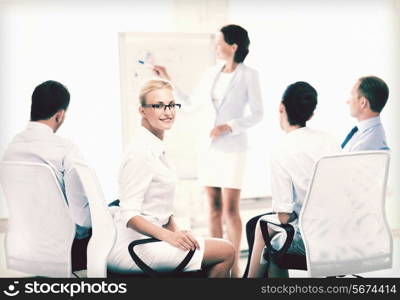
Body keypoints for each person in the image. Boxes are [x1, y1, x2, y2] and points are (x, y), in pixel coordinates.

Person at [153, 24, 263, 277]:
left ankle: (235, 269)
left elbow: (257, 114)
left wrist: (229, 126)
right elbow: (190, 104)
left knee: (230, 208)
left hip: (233, 148)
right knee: (212, 206)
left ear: (233, 46)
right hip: (209, 148)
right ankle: (219, 262)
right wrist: (167, 78)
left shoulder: (249, 75)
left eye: (219, 42)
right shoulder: (210, 73)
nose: (215, 47)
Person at [107, 79, 235, 277]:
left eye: (171, 105)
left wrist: (178, 232)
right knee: (226, 251)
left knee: (210, 246)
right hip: (132, 247)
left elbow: (159, 209)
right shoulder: (141, 152)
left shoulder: (155, 146)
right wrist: (170, 237)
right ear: (142, 111)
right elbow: (129, 215)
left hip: (149, 239)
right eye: (158, 106)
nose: (167, 112)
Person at [246, 81, 339, 278]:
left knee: (265, 233)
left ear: (281, 107)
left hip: (312, 241)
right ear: (311, 114)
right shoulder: (329, 140)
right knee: (264, 230)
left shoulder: (281, 149)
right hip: (343, 236)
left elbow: (283, 216)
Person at [1, 80, 92, 271]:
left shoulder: (10, 149)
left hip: (22, 249)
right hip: (65, 251)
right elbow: (82, 220)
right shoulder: (66, 149)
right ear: (60, 115)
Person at [341, 76, 389, 151]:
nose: (347, 102)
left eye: (352, 95)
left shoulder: (366, 146)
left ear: (363, 102)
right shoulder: (366, 133)